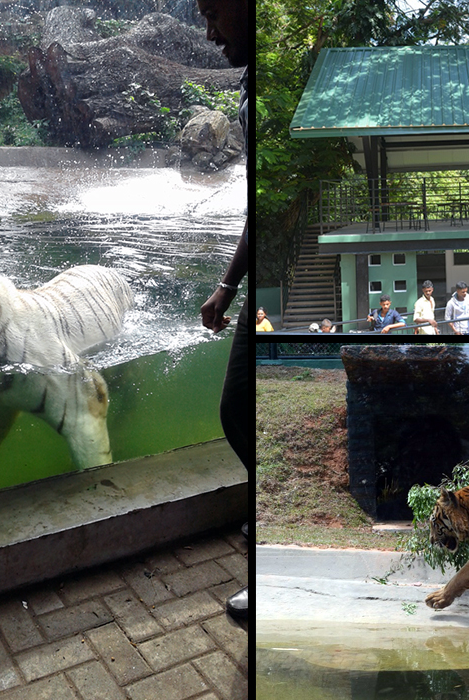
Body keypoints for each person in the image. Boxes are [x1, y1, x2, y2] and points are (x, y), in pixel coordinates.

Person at [197, 0, 248, 620]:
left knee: (239, 409)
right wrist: (228, 287)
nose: (210, 33)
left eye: (214, 14)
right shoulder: (245, 85)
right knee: (238, 411)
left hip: (265, 277)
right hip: (253, 277)